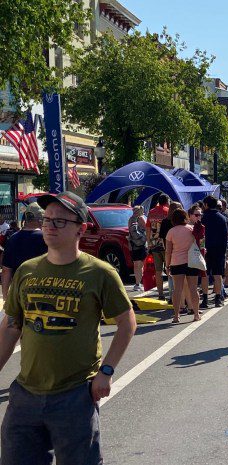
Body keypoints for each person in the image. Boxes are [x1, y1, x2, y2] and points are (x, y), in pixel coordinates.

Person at [0, 191, 136, 464]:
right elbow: (12, 326)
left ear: (80, 229)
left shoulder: (99, 273)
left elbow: (126, 322)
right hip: (26, 395)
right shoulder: (27, 270)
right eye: (47, 219)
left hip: (75, 396)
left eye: (60, 221)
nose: (50, 226)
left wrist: (106, 372)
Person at [1, 203, 47, 299]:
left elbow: (6, 270)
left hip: (19, 292)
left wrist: (5, 296)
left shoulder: (12, 239)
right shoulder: (47, 239)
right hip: (43, 292)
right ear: (41, 219)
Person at [165, 208, 201, 323]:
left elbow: (168, 251)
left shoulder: (171, 232)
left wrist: (167, 265)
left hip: (176, 262)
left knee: (177, 290)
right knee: (193, 289)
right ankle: (196, 314)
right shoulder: (191, 229)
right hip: (191, 261)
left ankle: (176, 316)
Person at [202, 195, 228, 307]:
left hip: (205, 249)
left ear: (206, 205)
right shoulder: (223, 218)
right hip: (220, 249)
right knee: (218, 275)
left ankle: (204, 299)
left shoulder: (203, 217)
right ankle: (218, 298)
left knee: (204, 274)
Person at [146, 194, 170, 300]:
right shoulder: (168, 211)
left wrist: (149, 243)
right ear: (167, 201)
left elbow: (148, 229)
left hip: (155, 244)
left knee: (158, 271)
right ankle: (172, 293)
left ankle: (160, 294)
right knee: (169, 269)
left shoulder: (151, 212)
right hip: (166, 244)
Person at [128, 205, 147, 292]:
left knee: (137, 265)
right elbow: (147, 229)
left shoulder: (131, 219)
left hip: (134, 245)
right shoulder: (141, 219)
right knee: (140, 265)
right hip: (141, 244)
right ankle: (138, 283)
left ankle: (138, 283)